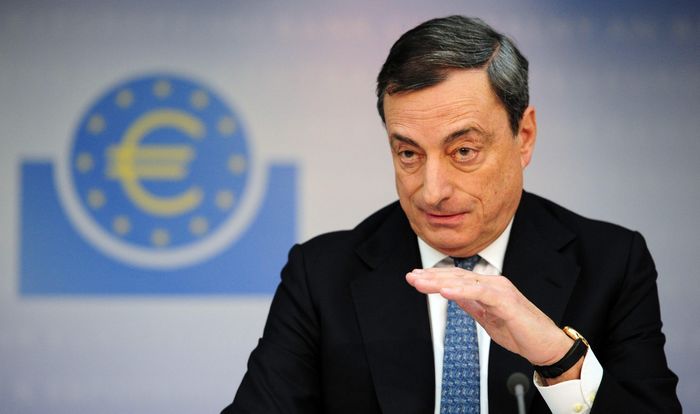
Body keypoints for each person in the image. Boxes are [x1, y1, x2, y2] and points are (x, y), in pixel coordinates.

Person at [222, 15, 680, 413]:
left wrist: (560, 359)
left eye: (463, 151)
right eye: (409, 153)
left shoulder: (611, 263)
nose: (432, 191)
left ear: (524, 136)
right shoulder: (321, 275)